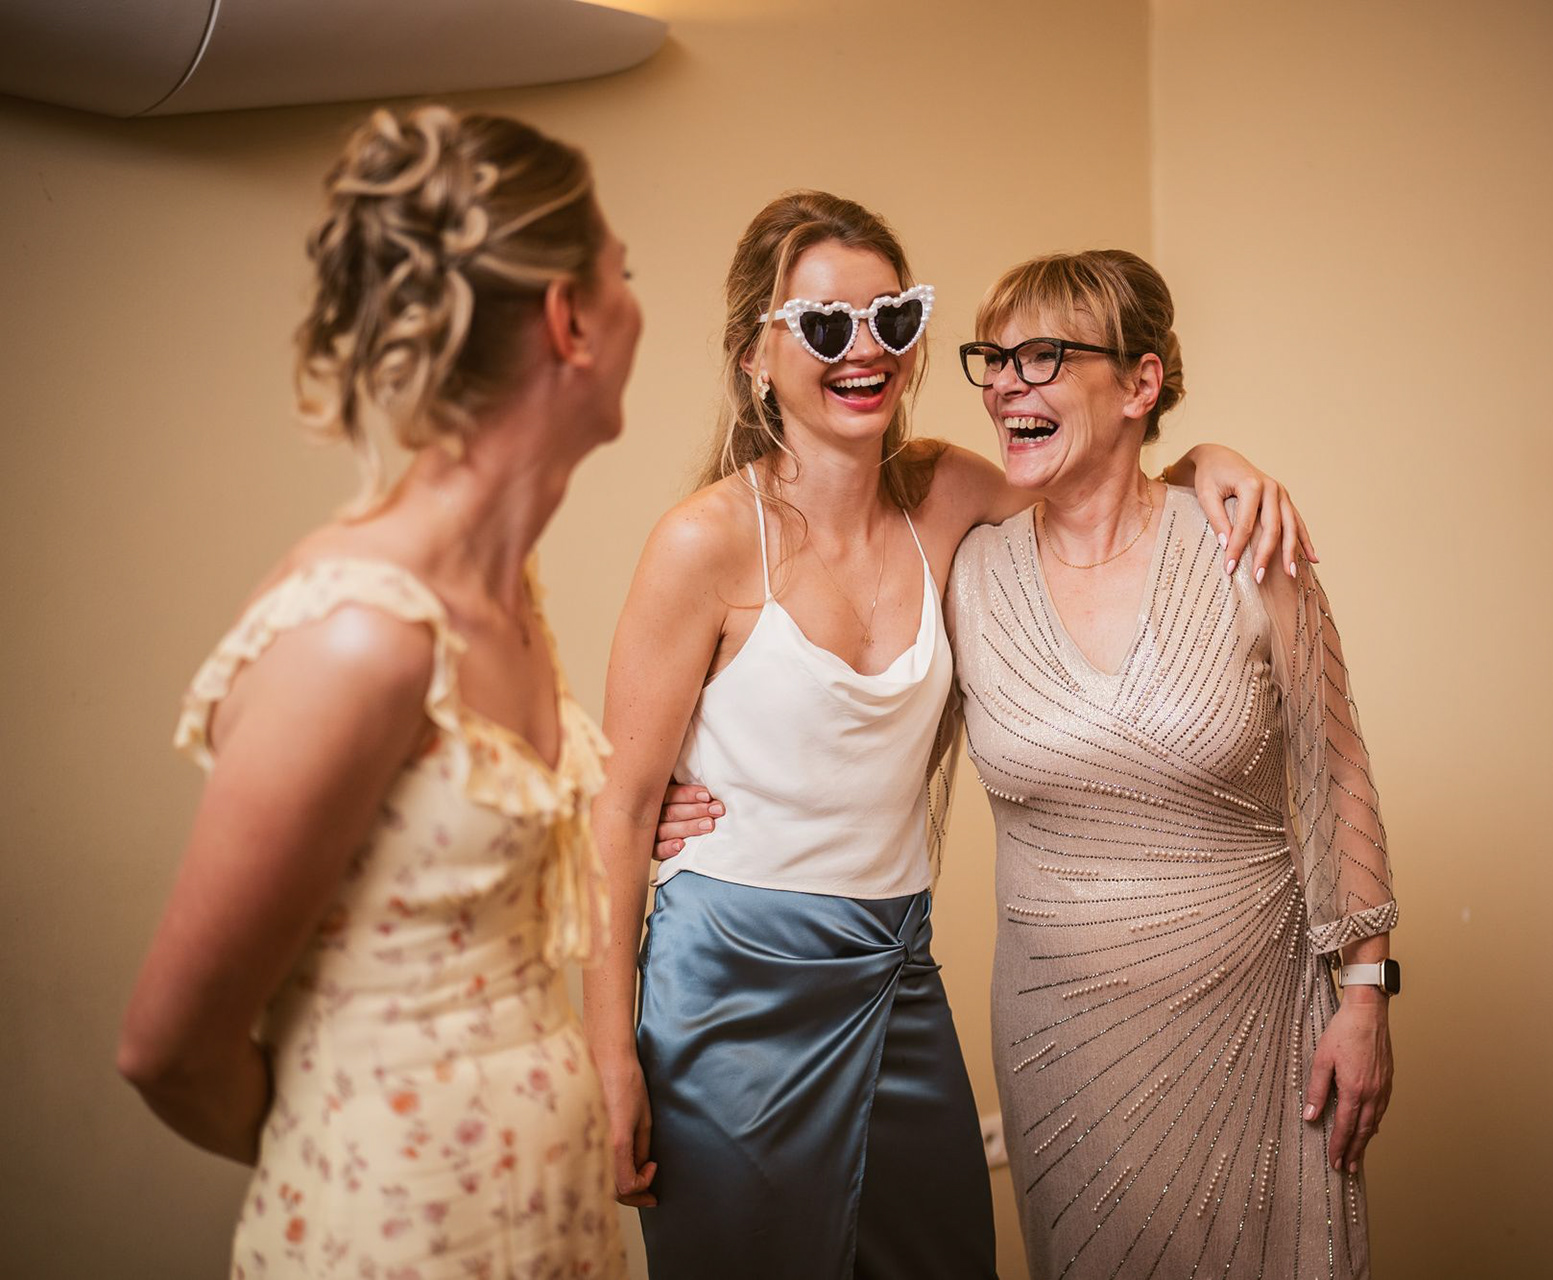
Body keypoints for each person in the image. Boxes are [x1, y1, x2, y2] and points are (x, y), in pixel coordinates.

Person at [581, 191, 1309, 1278]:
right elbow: (619, 809)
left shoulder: (948, 494)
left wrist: (1208, 461)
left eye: (893, 317)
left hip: (896, 975)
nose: (864, 349)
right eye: (823, 325)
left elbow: (1104, 483)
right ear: (754, 357)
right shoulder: (704, 543)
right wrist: (609, 1058)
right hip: (734, 986)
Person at [117, 105, 639, 1278]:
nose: (635, 306)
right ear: (570, 320)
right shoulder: (362, 636)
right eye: (625, 275)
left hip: (551, 1229)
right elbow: (168, 1050)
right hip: (397, 1239)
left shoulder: (509, 591)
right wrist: (368, 1149)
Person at [946, 250, 1397, 1277]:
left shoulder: (1248, 541)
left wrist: (1367, 996)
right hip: (1062, 1052)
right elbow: (858, 726)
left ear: (1139, 383)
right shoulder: (968, 573)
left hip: (1263, 1026)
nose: (1007, 383)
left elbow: (1339, 771)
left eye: (1043, 355)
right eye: (994, 359)